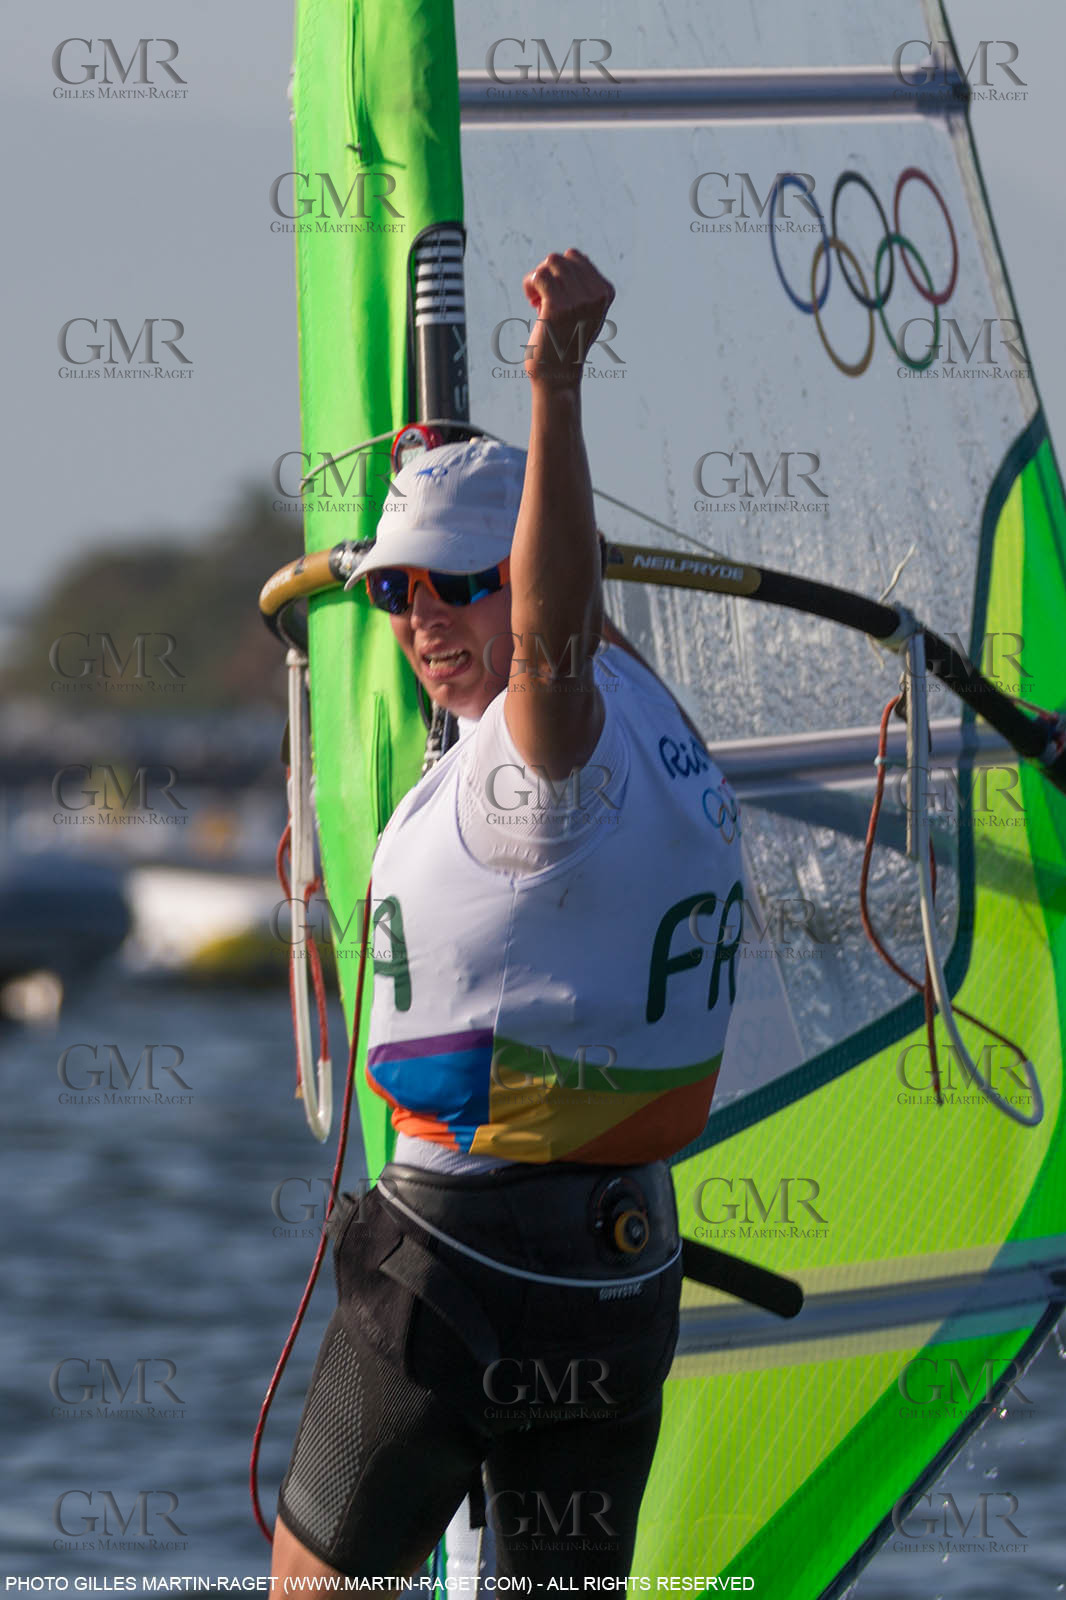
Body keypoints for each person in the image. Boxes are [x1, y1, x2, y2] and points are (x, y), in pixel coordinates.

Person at [271, 249, 743, 1583]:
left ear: (536, 588)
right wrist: (459, 491)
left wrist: (552, 388)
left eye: (457, 584)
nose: (421, 618)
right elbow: (551, 617)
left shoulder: (542, 756)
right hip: (616, 1284)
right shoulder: (658, 725)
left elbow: (547, 637)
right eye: (396, 589)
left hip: (460, 1272)